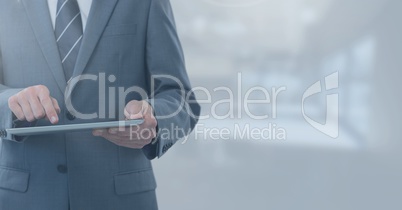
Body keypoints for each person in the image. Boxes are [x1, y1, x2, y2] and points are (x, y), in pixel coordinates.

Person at [0, 0, 200, 209]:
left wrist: (154, 117)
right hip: (24, 198)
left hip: (121, 198)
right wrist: (11, 104)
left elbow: (180, 97)